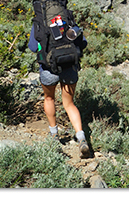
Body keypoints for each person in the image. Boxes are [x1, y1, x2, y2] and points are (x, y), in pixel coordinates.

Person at [28, 24, 90, 155]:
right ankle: (81, 138)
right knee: (69, 104)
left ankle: (54, 135)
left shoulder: (39, 21)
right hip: (69, 65)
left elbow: (33, 47)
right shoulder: (68, 18)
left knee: (49, 98)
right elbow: (83, 43)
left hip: (48, 68)